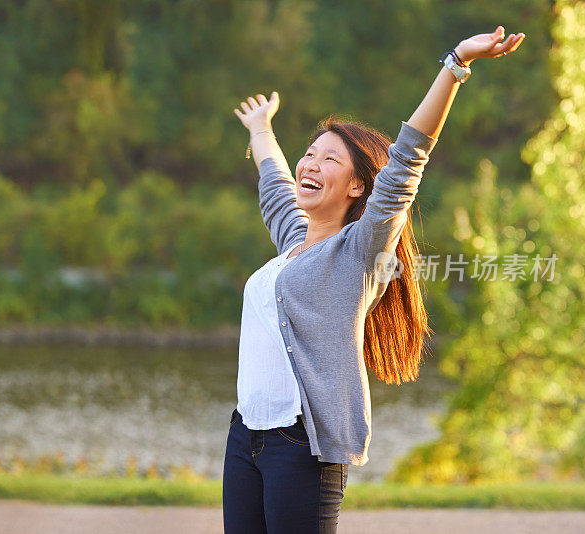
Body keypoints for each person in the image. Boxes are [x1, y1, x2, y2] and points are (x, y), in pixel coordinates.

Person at [223, 26, 525, 533]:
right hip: (245, 437)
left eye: (329, 159)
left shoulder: (358, 253)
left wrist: (454, 66)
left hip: (301, 446)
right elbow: (274, 182)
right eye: (310, 154)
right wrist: (260, 128)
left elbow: (408, 158)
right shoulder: (293, 240)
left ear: (358, 184)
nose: (311, 164)